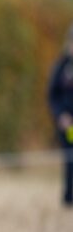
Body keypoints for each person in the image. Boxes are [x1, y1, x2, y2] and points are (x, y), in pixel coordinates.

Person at [47, 24, 73, 208]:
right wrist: (61, 116)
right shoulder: (61, 67)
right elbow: (52, 94)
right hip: (68, 125)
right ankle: (69, 195)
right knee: (70, 157)